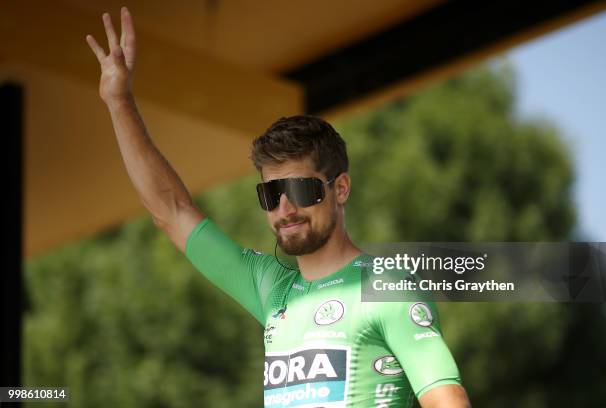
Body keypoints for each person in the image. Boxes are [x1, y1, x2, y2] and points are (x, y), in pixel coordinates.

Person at [86, 7, 471, 407]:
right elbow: (172, 212)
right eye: (271, 195)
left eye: (301, 190)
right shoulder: (271, 288)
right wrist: (119, 102)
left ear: (340, 188)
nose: (284, 208)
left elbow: (448, 400)